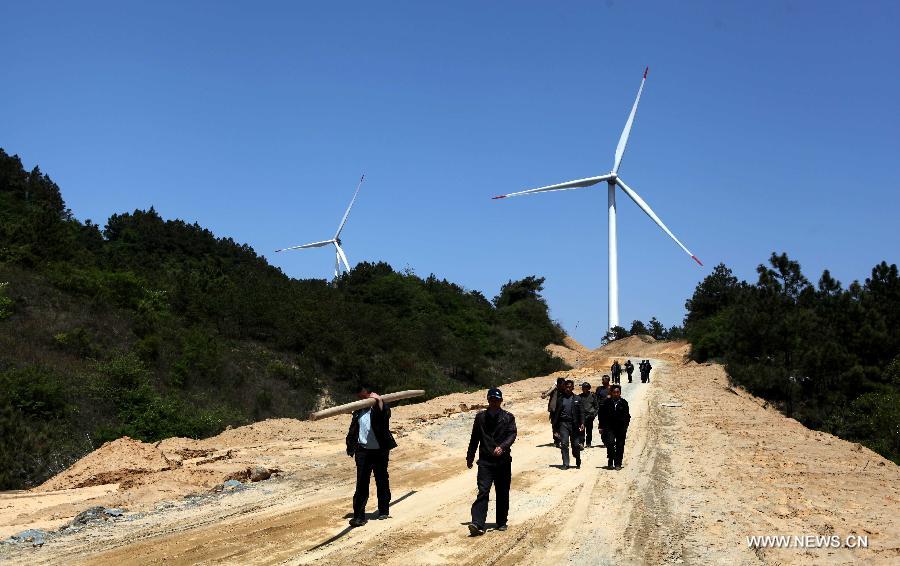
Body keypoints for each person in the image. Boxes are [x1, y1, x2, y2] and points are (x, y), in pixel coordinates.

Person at [467, 388, 517, 536]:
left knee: (502, 492)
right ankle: (477, 523)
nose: (494, 402)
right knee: (483, 491)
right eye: (491, 400)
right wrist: (470, 456)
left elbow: (512, 434)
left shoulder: (508, 417)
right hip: (485, 461)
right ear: (488, 400)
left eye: (497, 400)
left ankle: (501, 522)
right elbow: (475, 438)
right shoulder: (480, 417)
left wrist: (503, 447)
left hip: (503, 462)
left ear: (501, 401)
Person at [345, 383, 398, 527]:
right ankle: (359, 516)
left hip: (379, 451)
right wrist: (351, 446)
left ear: (370, 394)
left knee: (381, 479)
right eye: (360, 397)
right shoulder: (358, 411)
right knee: (361, 483)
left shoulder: (379, 408)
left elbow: (385, 416)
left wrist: (379, 401)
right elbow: (353, 429)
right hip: (362, 451)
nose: (362, 400)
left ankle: (383, 510)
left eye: (364, 397)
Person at [552, 380, 584, 469]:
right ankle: (566, 463)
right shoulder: (560, 399)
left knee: (576, 444)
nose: (568, 388)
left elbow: (581, 412)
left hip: (574, 424)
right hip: (563, 424)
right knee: (564, 443)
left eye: (570, 387)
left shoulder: (577, 398)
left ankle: (577, 458)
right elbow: (556, 414)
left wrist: (582, 423)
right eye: (567, 387)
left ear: (573, 388)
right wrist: (555, 427)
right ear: (564, 387)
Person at [598, 384, 631, 470]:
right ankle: (610, 460)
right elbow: (601, 415)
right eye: (614, 392)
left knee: (620, 445)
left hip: (620, 428)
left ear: (620, 393)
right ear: (611, 393)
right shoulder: (606, 402)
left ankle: (618, 463)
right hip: (609, 428)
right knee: (610, 443)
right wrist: (601, 426)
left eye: (618, 392)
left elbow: (627, 416)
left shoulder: (624, 403)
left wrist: (625, 426)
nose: (616, 394)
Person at [541, 377, 566, 446]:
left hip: (562, 411)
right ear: (558, 384)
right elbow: (544, 396)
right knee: (555, 425)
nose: (562, 386)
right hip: (554, 410)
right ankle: (556, 440)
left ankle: (561, 440)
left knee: (562, 425)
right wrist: (546, 393)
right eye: (561, 384)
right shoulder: (554, 390)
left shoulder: (565, 390)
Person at [578, 382, 599, 448]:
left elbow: (597, 407)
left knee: (589, 431)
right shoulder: (579, 396)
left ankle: (588, 443)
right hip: (582, 416)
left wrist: (594, 415)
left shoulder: (593, 395)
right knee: (581, 430)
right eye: (583, 388)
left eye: (585, 388)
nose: (583, 389)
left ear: (588, 388)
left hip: (590, 416)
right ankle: (581, 443)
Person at [595, 375, 611, 447]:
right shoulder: (599, 389)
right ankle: (604, 440)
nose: (603, 381)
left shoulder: (611, 388)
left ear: (608, 380)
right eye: (602, 380)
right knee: (602, 425)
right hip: (601, 409)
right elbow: (596, 398)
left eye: (604, 380)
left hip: (610, 410)